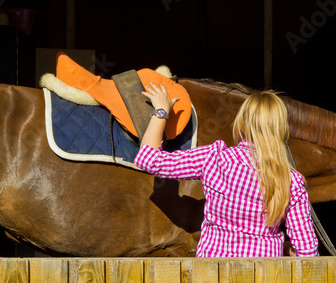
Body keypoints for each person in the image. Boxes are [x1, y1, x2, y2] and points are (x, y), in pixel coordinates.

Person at [134, 82, 319, 257]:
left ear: (243, 124)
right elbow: (307, 252)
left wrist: (161, 110)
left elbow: (148, 159)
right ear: (281, 130)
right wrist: (280, 248)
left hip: (209, 279)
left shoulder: (215, 158)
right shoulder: (292, 182)